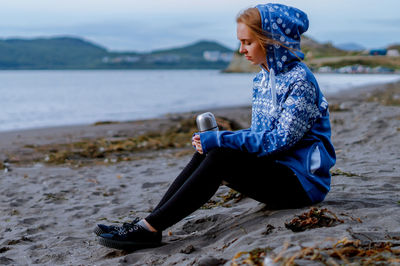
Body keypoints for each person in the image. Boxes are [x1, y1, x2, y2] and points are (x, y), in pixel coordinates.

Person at [94, 3, 336, 250]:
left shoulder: (300, 82)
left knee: (221, 154)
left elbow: (276, 141)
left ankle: (149, 227)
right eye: (240, 42)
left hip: (302, 184)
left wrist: (222, 140)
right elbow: (259, 135)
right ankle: (149, 224)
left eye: (247, 42)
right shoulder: (263, 79)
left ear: (272, 41)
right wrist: (219, 139)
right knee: (211, 150)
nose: (241, 49)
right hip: (277, 171)